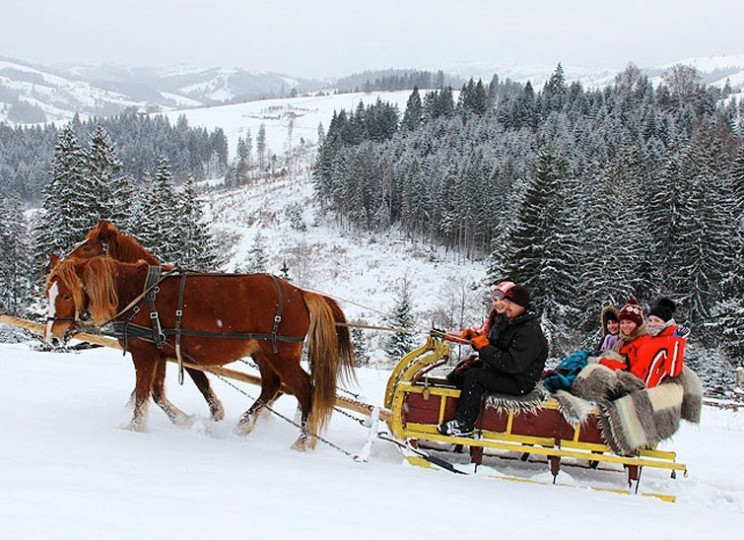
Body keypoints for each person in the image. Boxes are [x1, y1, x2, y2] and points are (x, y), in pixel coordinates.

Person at [438, 284, 548, 437]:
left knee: (474, 377)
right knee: (465, 371)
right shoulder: (515, 322)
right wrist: (476, 339)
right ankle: (448, 409)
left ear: (521, 305)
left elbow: (511, 364)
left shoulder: (528, 331)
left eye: (509, 303)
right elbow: (499, 347)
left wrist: (484, 348)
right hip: (510, 374)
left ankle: (464, 424)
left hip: (519, 382)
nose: (505, 306)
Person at [600, 297, 685, 388]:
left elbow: (672, 371)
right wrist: (601, 361)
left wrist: (677, 341)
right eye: (650, 320)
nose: (652, 324)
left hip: (649, 393)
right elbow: (627, 365)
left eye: (657, 321)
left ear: (667, 323)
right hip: (634, 387)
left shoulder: (670, 342)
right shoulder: (645, 339)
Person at [445, 281, 514, 386]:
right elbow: (479, 334)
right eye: (495, 299)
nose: (498, 303)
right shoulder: (495, 319)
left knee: (465, 374)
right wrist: (446, 334)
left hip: (500, 368)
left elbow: (504, 351)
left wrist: (485, 346)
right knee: (459, 370)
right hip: (490, 362)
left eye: (502, 299)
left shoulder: (513, 322)